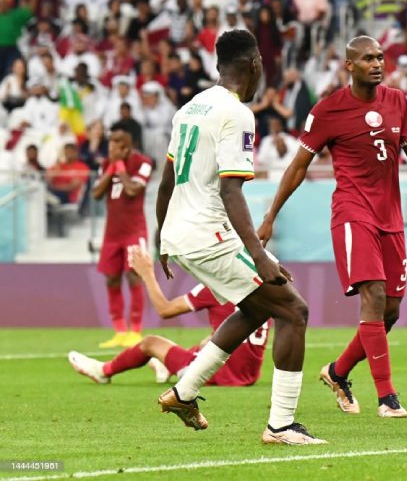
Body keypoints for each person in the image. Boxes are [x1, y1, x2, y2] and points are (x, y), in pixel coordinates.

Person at [155, 29, 324, 445]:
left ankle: (183, 392)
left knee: (254, 308)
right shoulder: (237, 114)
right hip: (208, 232)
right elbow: (231, 190)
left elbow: (166, 181)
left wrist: (161, 236)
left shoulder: (189, 108)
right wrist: (259, 255)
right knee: (293, 310)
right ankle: (281, 425)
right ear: (254, 65)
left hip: (181, 233)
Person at [257, 35, 407, 419]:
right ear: (349, 66)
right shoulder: (327, 111)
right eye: (368, 58)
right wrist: (270, 216)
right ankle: (387, 397)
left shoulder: (398, 101)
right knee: (373, 295)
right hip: (353, 213)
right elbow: (299, 166)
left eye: (381, 57)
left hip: (391, 217)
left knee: (390, 310)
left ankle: (338, 372)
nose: (377, 64)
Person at [68, 247, 270, 387]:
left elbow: (164, 309)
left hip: (216, 375)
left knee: (149, 342)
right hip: (248, 375)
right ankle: (166, 365)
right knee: (208, 341)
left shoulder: (216, 286)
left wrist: (147, 273)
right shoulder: (264, 286)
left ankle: (103, 371)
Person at [92, 126, 154, 349]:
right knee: (111, 278)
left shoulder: (143, 162)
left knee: (134, 277)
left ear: (125, 149)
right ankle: (119, 331)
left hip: (134, 231)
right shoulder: (105, 165)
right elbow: (96, 194)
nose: (109, 152)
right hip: (112, 233)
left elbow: (132, 190)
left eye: (114, 149)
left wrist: (121, 170)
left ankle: (135, 330)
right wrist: (111, 169)